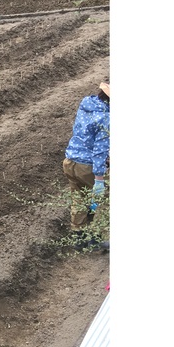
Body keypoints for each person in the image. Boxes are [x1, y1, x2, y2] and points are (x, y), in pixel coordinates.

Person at [62, 82, 110, 245]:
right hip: (87, 166)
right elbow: (100, 150)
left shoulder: (86, 103)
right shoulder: (107, 118)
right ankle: (99, 236)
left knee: (79, 198)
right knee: (105, 198)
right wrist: (99, 179)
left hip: (70, 161)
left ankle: (78, 235)